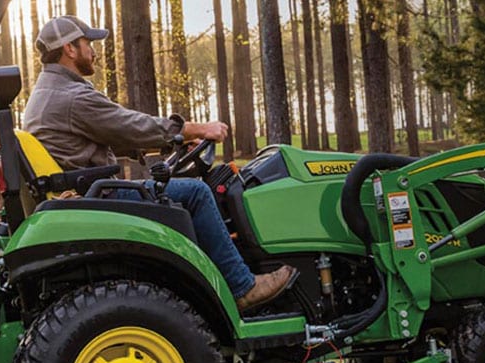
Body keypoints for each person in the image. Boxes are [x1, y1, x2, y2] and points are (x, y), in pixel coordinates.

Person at [23, 16, 294, 310]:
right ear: (70, 49)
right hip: (97, 196)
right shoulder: (72, 96)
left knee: (187, 191)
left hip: (82, 191)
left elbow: (106, 135)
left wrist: (171, 143)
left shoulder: (46, 93)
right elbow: (130, 125)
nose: (93, 50)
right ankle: (243, 286)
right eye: (88, 43)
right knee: (197, 193)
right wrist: (196, 129)